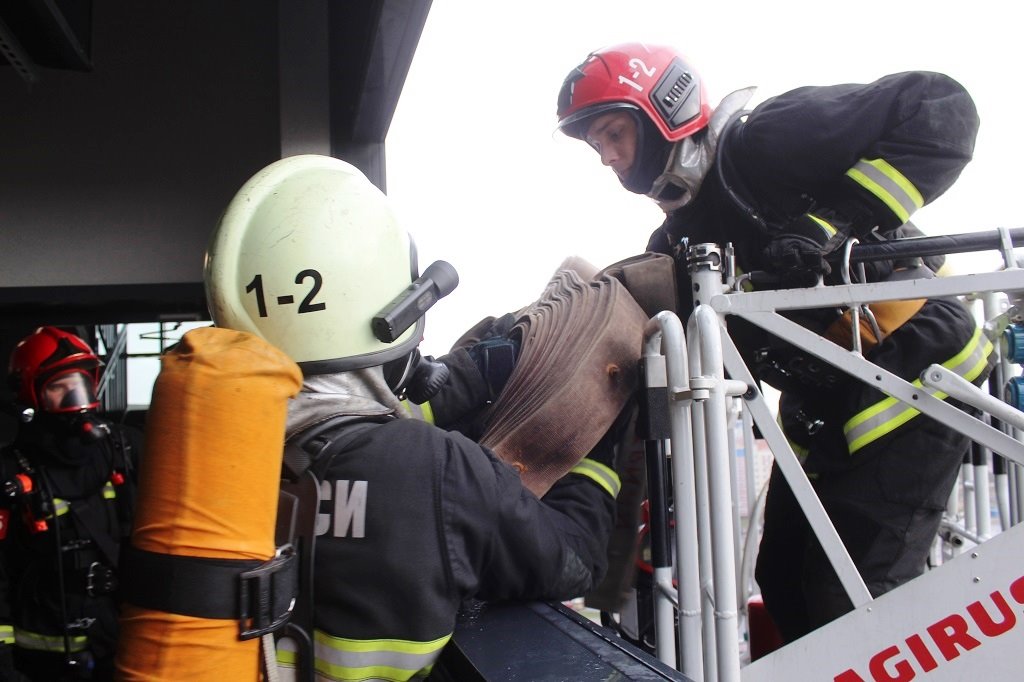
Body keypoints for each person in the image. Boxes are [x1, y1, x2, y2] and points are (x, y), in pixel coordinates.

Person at [555, 43, 994, 642]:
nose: (607, 157)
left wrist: (831, 225)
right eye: (595, 146)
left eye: (613, 133)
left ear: (665, 109)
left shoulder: (766, 141)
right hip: (827, 404)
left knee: (857, 596)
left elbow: (939, 108)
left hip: (915, 367)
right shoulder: (679, 236)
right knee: (784, 581)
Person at [203, 154, 624, 680]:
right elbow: (573, 560)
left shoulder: (207, 457)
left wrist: (465, 379)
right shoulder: (441, 470)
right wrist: (595, 449)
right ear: (386, 314)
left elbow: (357, 431)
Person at [0, 327, 141, 681]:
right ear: (30, 394)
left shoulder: (119, 450)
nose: (74, 395)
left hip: (119, 642)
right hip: (42, 655)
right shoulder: (10, 470)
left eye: (80, 381)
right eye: (58, 386)